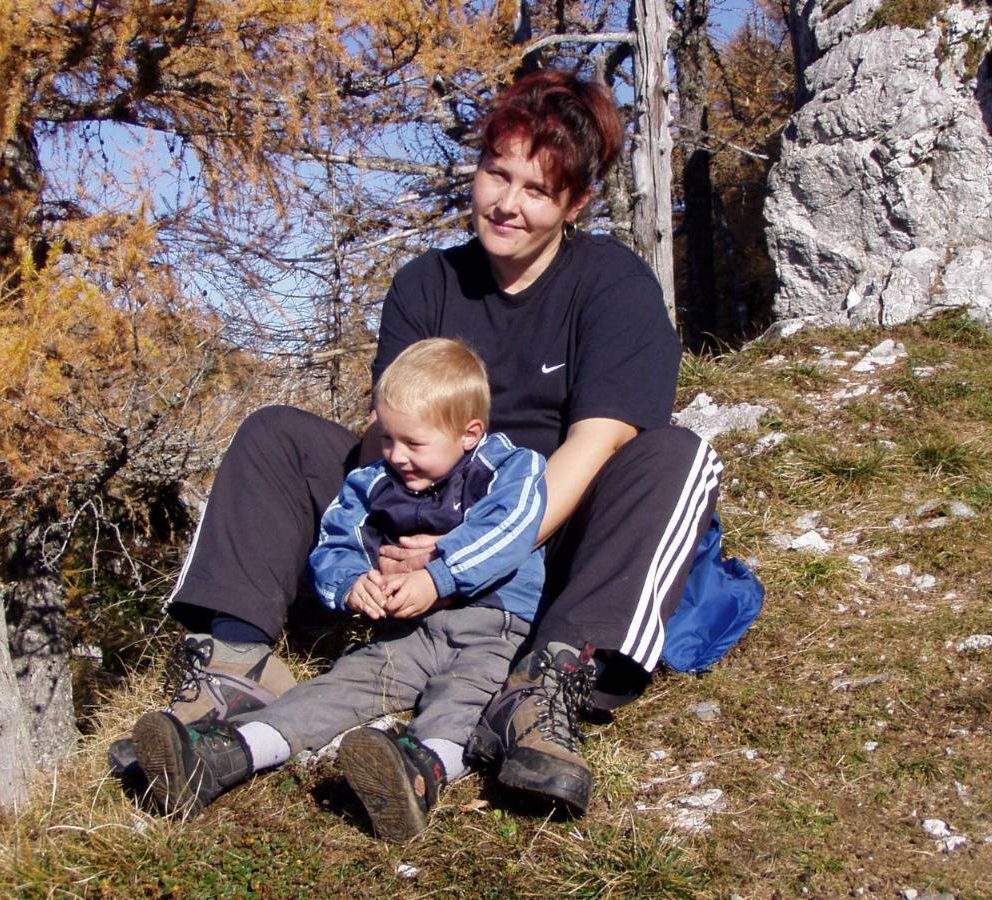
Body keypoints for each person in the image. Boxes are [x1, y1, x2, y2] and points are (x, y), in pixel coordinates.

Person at [127, 67, 722, 818]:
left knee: (675, 457)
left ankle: (546, 684)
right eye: (495, 174)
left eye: (537, 190)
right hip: (428, 505)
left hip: (548, 534)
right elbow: (389, 433)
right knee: (276, 433)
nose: (507, 203)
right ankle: (236, 663)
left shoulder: (612, 284)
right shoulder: (426, 285)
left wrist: (456, 557)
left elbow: (593, 448)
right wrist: (397, 529)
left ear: (574, 203)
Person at [131, 339, 548, 839]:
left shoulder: (512, 469)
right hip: (409, 632)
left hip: (495, 628)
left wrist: (438, 577)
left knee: (465, 700)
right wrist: (349, 584)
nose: (396, 456)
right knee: (339, 686)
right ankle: (223, 756)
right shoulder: (374, 480)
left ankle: (419, 773)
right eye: (388, 438)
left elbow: (510, 530)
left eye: (414, 444)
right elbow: (336, 541)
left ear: (469, 434)